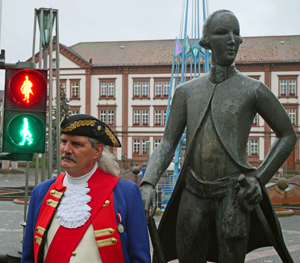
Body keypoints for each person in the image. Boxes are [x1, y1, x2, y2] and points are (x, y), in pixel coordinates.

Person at [140, 10, 296, 263]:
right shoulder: (186, 92)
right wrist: (148, 183)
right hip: (192, 191)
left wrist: (259, 178)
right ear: (206, 42)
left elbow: (287, 135)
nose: (232, 39)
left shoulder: (254, 89)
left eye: (236, 33)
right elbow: (168, 143)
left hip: (233, 195)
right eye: (223, 33)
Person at [22, 114, 151, 263]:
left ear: (97, 151)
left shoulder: (126, 192)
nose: (67, 150)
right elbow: (29, 256)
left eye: (76, 144)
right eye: (64, 142)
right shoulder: (41, 191)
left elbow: (139, 258)